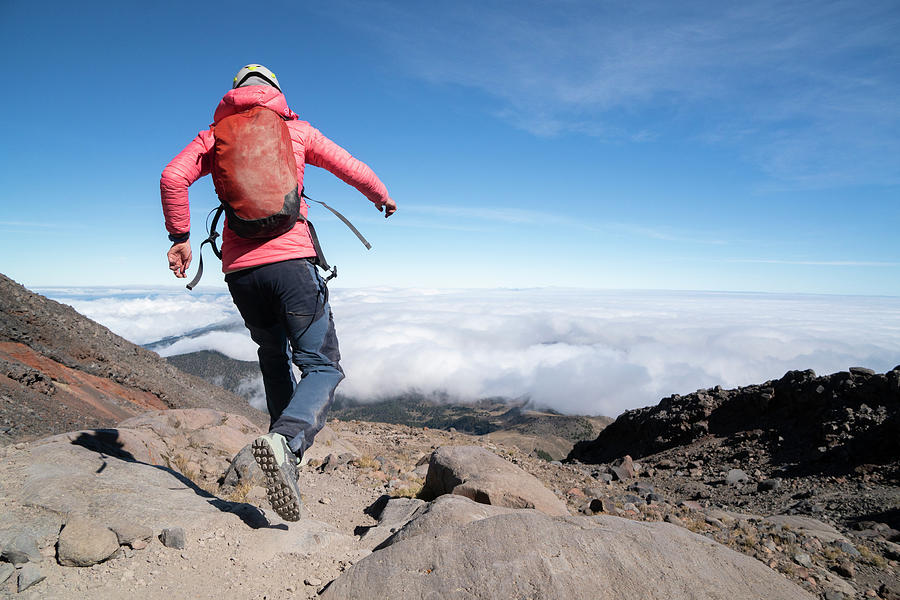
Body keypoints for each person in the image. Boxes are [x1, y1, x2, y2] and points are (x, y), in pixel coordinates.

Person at [160, 64, 396, 521]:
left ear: (234, 94)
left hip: (241, 274)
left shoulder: (214, 136)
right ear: (275, 93)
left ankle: (280, 444)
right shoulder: (296, 130)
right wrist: (381, 196)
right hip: (291, 266)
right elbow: (350, 167)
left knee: (272, 354)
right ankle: (286, 443)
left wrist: (180, 237)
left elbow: (173, 177)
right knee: (322, 365)